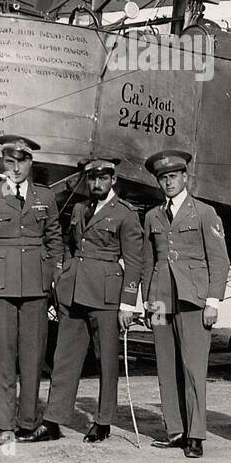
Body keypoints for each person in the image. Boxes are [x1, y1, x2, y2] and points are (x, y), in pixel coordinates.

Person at [26, 156, 145, 443]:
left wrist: (128, 304)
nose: (96, 183)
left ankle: (103, 421)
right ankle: (53, 421)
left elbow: (135, 261)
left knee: (106, 360)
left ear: (113, 180)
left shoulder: (126, 214)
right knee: (64, 358)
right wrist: (62, 272)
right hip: (74, 291)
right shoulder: (80, 208)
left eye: (102, 178)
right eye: (92, 178)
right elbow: (68, 243)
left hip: (105, 296)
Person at [0, 134, 64, 446]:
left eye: (22, 161)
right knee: (5, 357)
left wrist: (53, 277)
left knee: (33, 358)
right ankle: (6, 425)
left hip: (35, 285)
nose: (16, 167)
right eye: (11, 161)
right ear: (4, 162)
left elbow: (55, 241)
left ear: (31, 163)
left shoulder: (45, 197)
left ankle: (28, 423)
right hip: (1, 285)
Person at [139, 149, 230, 459]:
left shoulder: (204, 213)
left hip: (193, 299)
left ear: (185, 178)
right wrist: (147, 301)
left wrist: (213, 301)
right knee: (166, 366)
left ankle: (195, 434)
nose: (168, 183)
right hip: (161, 300)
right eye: (163, 178)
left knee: (193, 368)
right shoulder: (152, 216)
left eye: (173, 177)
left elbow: (219, 260)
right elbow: (148, 261)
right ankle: (175, 430)